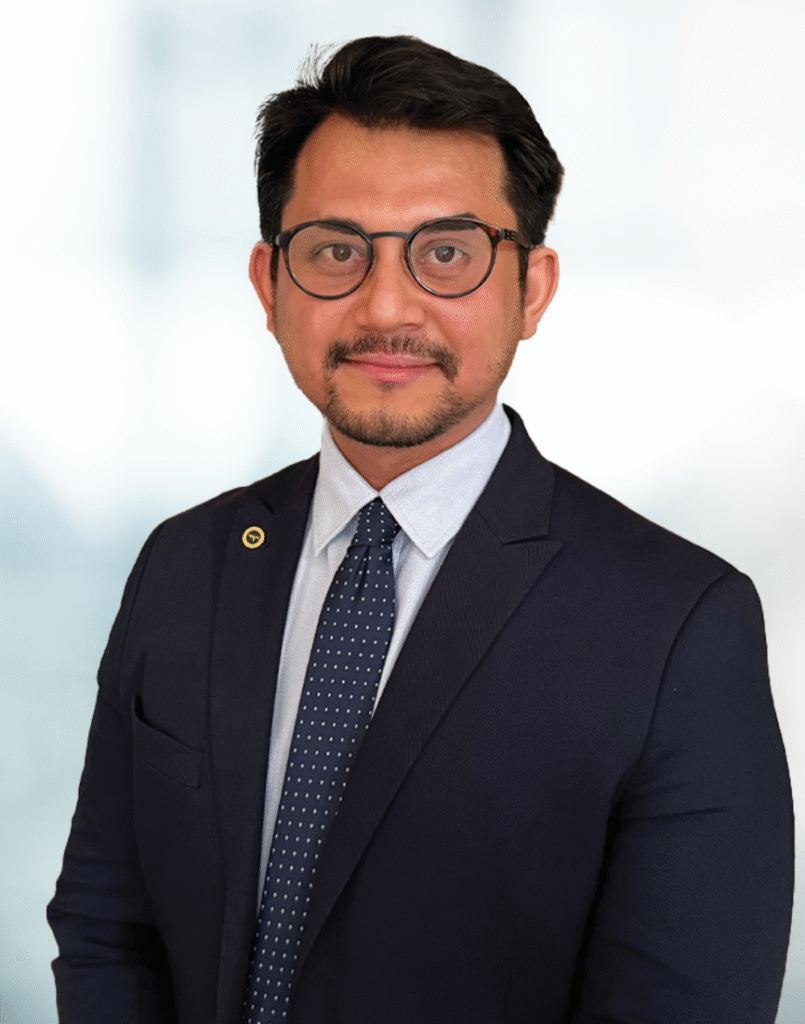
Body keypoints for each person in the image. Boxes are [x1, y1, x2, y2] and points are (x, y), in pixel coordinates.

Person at [48, 35, 793, 1024]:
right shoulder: (186, 564)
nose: (387, 305)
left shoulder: (677, 624)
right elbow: (106, 927)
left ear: (531, 289)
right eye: (335, 251)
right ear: (269, 284)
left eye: (446, 253)